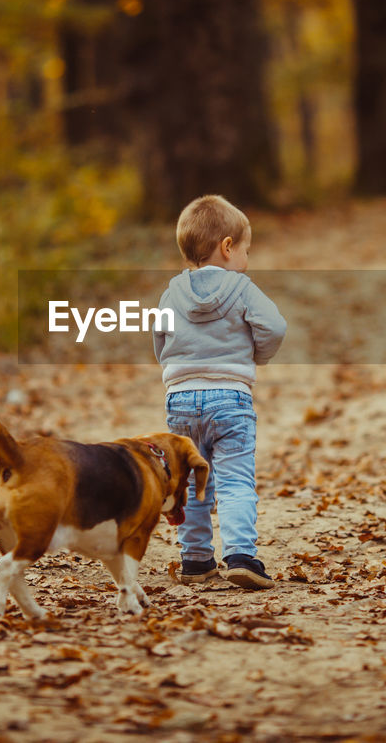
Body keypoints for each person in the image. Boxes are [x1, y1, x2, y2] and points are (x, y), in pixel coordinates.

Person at [153, 195, 286, 589]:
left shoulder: (171, 292)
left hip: (180, 401)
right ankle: (241, 555)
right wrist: (255, 356)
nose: (247, 257)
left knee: (192, 481)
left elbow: (159, 338)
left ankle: (195, 560)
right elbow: (275, 328)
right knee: (235, 480)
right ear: (227, 247)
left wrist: (176, 370)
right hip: (230, 400)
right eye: (246, 248)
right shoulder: (242, 288)